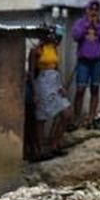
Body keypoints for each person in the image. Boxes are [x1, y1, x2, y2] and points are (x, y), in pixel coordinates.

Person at [27, 28, 71, 160]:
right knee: (42, 118)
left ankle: (54, 144)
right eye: (52, 36)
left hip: (54, 82)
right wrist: (34, 93)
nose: (55, 39)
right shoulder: (36, 51)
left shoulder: (54, 49)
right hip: (42, 83)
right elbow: (31, 73)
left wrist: (61, 85)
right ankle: (40, 150)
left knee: (66, 113)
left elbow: (56, 68)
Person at [71, 0, 100, 125]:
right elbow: (76, 36)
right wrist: (87, 25)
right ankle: (76, 118)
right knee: (80, 89)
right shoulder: (80, 23)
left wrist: (97, 27)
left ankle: (91, 117)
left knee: (95, 88)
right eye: (91, 9)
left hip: (98, 61)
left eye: (96, 10)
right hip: (83, 61)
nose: (93, 12)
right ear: (86, 10)